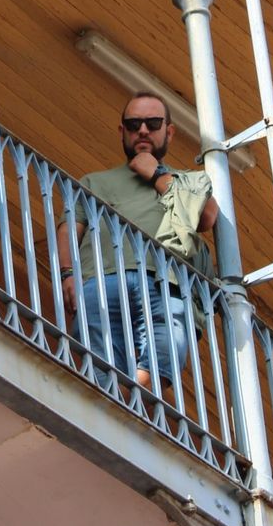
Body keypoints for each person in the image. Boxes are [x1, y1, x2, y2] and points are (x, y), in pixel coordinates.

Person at [58, 91, 218, 389]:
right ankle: (112, 402)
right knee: (97, 355)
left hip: (164, 279)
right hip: (102, 277)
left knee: (166, 350)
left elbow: (207, 217)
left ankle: (130, 397)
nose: (143, 130)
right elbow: (69, 229)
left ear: (169, 131)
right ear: (122, 131)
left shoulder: (190, 180)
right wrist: (68, 272)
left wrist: (154, 172)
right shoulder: (95, 181)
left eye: (153, 123)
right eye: (133, 124)